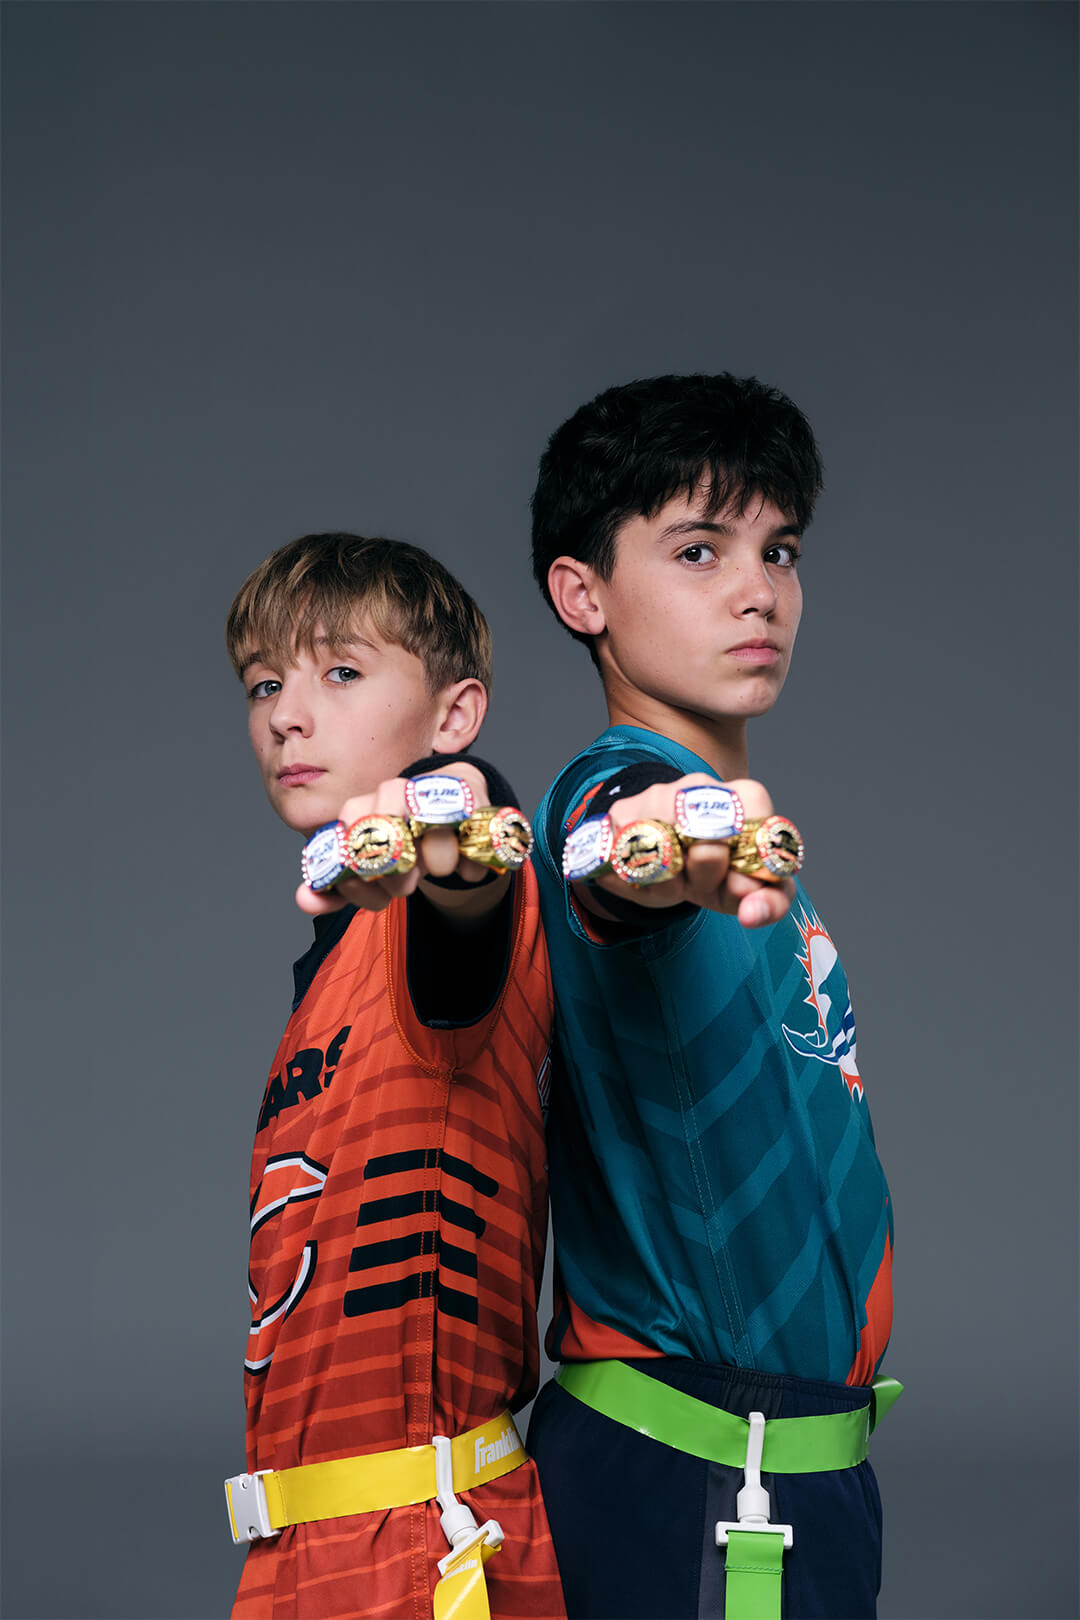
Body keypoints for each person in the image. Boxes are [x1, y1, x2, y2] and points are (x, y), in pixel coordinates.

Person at [524, 375, 898, 1620]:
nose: (760, 592)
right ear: (582, 592)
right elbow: (607, 858)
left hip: (796, 1475)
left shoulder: (758, 854)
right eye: (699, 550)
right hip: (693, 1482)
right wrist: (656, 849)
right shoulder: (623, 789)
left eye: (777, 550)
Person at [222, 533, 565, 1620]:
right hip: (310, 1549)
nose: (286, 713)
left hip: (420, 1549)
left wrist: (456, 830)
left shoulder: (442, 911)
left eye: (341, 671)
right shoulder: (333, 964)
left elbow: (468, 874)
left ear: (454, 715)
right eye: (266, 682)